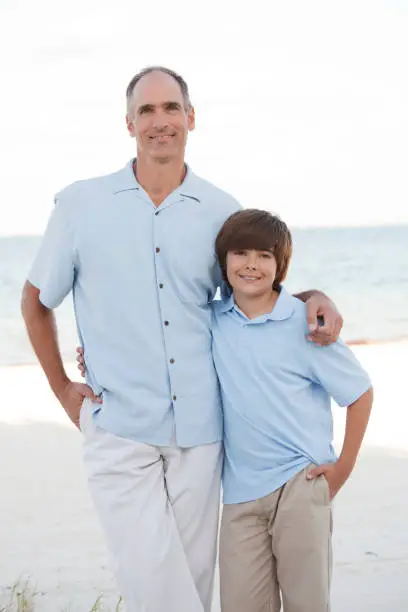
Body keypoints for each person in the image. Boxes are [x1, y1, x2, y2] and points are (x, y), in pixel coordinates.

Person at [21, 66, 343, 612]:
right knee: (155, 586)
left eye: (171, 108)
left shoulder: (220, 210)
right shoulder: (80, 206)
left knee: (193, 588)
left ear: (191, 118)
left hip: (202, 432)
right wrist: (62, 388)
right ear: (128, 124)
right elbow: (35, 300)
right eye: (146, 111)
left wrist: (313, 296)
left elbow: (254, 290)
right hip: (120, 430)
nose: (160, 121)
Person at [210, 209, 373, 612]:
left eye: (265, 256)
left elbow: (359, 392)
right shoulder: (211, 321)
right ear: (223, 261)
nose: (251, 264)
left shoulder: (305, 325)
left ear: (280, 265)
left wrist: (343, 467)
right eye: (241, 253)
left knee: (307, 604)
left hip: (300, 483)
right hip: (240, 494)